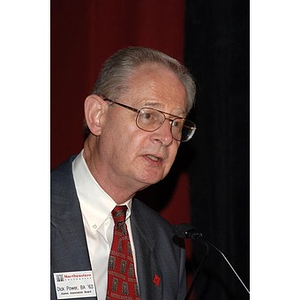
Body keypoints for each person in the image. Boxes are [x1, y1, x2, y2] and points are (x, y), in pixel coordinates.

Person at [51, 46, 197, 300]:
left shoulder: (167, 245)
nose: (165, 137)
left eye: (176, 123)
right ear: (97, 116)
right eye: (149, 115)